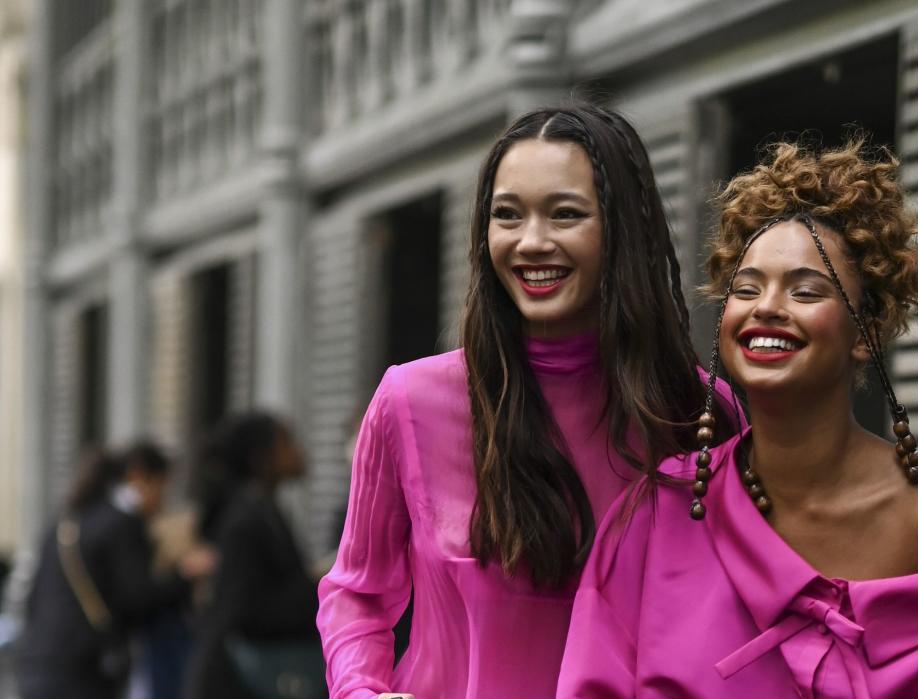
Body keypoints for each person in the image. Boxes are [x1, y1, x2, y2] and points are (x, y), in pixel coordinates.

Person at [557, 141, 918, 698]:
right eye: (746, 289)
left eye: (806, 290)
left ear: (866, 332)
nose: (766, 306)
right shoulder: (655, 513)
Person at [317, 103, 742, 699]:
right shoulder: (408, 401)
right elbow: (356, 592)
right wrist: (361, 689)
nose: (532, 243)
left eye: (566, 214)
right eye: (507, 216)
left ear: (623, 231)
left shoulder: (698, 415)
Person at [18, 442, 206, 699]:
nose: (162, 503)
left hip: (37, 661)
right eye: (162, 489)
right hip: (84, 668)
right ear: (140, 477)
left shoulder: (65, 524)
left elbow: (32, 599)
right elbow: (138, 597)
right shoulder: (121, 526)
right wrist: (186, 575)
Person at [184, 412, 322, 699]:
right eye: (286, 441)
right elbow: (244, 609)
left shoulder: (261, 509)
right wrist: (316, 590)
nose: (298, 450)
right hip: (237, 681)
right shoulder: (245, 519)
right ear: (261, 458)